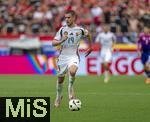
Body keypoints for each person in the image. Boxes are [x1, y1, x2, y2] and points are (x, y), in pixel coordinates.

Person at [52, 10, 92, 107]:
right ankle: (58, 96)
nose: (67, 19)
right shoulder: (62, 30)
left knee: (72, 71)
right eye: (65, 17)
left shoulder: (80, 30)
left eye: (69, 17)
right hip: (62, 57)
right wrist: (62, 40)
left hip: (74, 56)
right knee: (60, 79)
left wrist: (90, 47)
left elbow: (88, 35)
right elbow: (53, 43)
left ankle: (70, 91)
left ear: (74, 18)